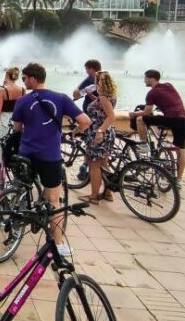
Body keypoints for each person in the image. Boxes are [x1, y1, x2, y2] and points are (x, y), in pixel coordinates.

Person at [11, 62, 90, 256]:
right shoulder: (61, 99)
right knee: (54, 200)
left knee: (20, 188)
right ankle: (59, 245)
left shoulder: (23, 101)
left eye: (25, 78)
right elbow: (85, 121)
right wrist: (75, 132)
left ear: (33, 79)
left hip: (26, 153)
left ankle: (16, 221)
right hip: (49, 156)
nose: (23, 82)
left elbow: (16, 129)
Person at [129, 69, 185, 181]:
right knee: (180, 150)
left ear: (151, 79)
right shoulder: (169, 85)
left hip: (171, 119)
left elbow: (146, 112)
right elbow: (170, 101)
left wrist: (133, 114)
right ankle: (178, 180)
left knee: (141, 120)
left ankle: (144, 144)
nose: (144, 81)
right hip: (184, 120)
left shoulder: (152, 93)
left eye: (145, 78)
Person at [78, 71, 117, 205]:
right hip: (107, 133)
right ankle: (107, 193)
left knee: (94, 165)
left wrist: (100, 131)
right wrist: (93, 97)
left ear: (98, 82)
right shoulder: (108, 96)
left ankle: (94, 196)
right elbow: (103, 109)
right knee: (104, 163)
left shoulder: (104, 98)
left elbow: (111, 116)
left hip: (98, 134)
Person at [0, 66, 24, 136]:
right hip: (15, 122)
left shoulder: (2, 90)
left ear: (6, 75)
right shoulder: (22, 90)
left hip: (3, 122)